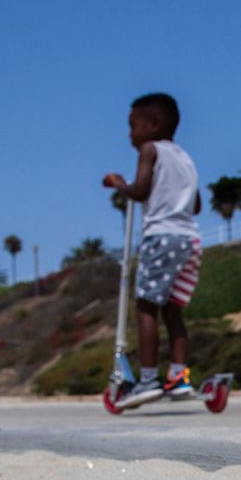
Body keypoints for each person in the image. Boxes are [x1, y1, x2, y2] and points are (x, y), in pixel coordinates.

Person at [102, 92, 203, 407]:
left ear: (154, 124)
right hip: (190, 239)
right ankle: (178, 377)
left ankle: (146, 380)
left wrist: (118, 183)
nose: (129, 134)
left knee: (146, 306)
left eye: (133, 125)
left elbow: (140, 190)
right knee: (173, 310)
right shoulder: (185, 158)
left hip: (161, 236)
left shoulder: (150, 150)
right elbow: (196, 204)